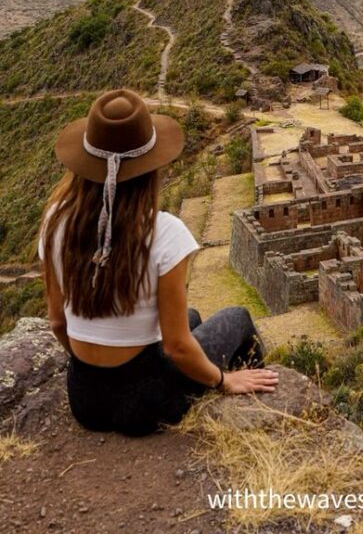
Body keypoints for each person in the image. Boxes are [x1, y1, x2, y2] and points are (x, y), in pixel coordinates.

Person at [38, 88, 278, 437]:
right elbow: (176, 347)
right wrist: (224, 379)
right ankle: (254, 413)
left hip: (86, 401)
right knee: (236, 318)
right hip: (149, 405)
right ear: (149, 167)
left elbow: (58, 322)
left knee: (192, 316)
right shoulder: (164, 232)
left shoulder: (55, 224)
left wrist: (97, 365)